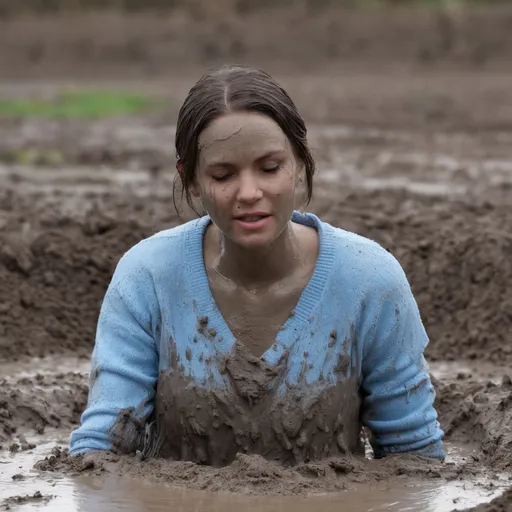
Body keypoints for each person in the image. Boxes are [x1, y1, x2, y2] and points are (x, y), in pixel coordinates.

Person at [69, 65, 444, 466]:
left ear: (299, 164)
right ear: (191, 180)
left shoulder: (370, 280)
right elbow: (101, 453)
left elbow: (414, 459)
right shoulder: (147, 278)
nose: (249, 193)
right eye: (223, 174)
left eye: (269, 168)